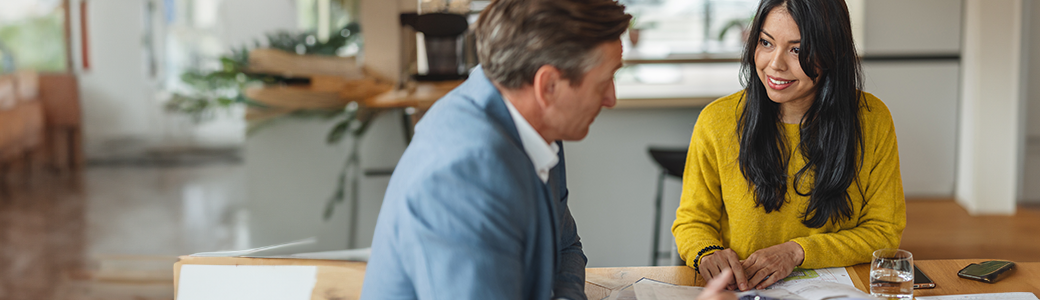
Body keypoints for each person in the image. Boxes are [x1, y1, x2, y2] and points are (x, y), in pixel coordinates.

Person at [359, 0, 630, 299]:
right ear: (549, 86)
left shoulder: (535, 128)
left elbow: (565, 247)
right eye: (604, 81)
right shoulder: (464, 177)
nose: (610, 98)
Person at [671, 0, 906, 292]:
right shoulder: (716, 121)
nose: (775, 64)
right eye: (766, 43)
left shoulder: (872, 119)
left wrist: (797, 252)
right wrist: (705, 252)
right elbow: (692, 221)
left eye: (797, 49)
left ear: (832, 51)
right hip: (743, 292)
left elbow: (883, 231)